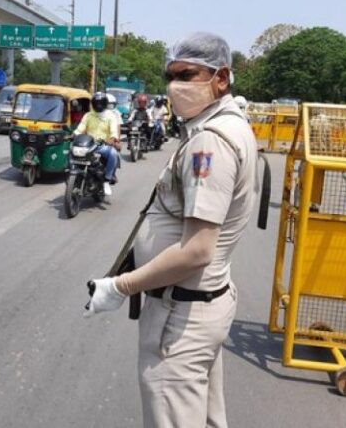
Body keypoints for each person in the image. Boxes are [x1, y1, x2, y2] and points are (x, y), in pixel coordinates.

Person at [84, 32, 259, 428]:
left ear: (221, 78)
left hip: (182, 316)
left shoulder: (210, 143)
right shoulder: (225, 126)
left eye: (187, 75)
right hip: (200, 304)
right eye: (171, 76)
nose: (175, 86)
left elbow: (197, 250)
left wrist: (120, 286)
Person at [74, 92, 121, 196]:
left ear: (105, 104)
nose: (98, 105)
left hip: (102, 144)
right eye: (96, 103)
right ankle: (72, 171)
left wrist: (112, 139)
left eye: (100, 103)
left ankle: (107, 180)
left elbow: (114, 131)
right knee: (72, 149)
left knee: (113, 153)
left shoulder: (111, 116)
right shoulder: (88, 115)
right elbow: (80, 128)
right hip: (88, 144)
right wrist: (74, 135)